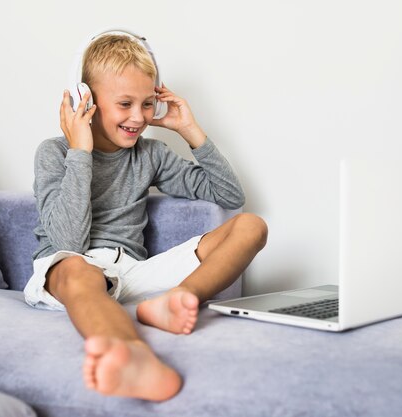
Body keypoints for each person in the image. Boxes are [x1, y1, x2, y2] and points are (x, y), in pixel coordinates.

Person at [22, 33, 267, 402]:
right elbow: (68, 242)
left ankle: (177, 301)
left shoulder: (150, 154)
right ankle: (134, 358)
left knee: (252, 226)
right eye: (125, 103)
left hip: (131, 272)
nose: (139, 117)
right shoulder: (56, 153)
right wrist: (81, 151)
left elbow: (230, 196)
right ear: (85, 100)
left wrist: (190, 131)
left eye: (148, 103)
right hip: (70, 268)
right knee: (78, 271)